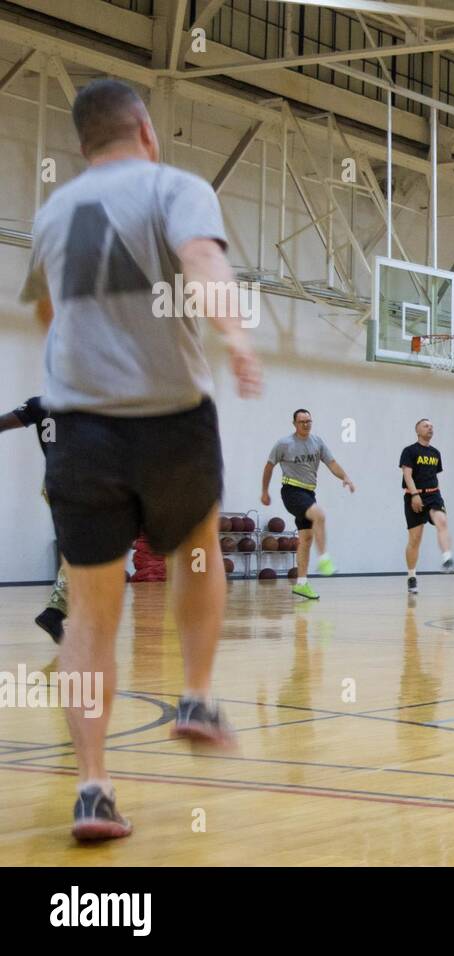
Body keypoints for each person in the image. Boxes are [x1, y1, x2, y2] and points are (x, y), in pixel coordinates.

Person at [20, 78, 262, 840]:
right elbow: (201, 262)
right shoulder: (176, 186)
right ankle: (195, 696)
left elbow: (49, 312)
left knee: (91, 612)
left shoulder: (52, 212)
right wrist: (238, 337)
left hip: (79, 431)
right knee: (197, 549)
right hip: (169, 422)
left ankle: (92, 787)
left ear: (84, 143)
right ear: (146, 130)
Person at [261, 408, 355, 599]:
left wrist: (345, 476)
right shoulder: (284, 444)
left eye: (309, 421)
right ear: (294, 424)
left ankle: (301, 584)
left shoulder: (317, 442)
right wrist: (264, 491)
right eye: (302, 421)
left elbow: (332, 463)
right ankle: (324, 558)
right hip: (291, 491)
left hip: (309, 493)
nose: (306, 424)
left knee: (306, 539)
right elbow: (269, 466)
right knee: (319, 514)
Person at [0, 395, 67, 640]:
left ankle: (59, 611)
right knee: (86, 549)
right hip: (79, 484)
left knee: (77, 548)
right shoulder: (88, 403)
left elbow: (4, 423)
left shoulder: (39, 404)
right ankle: (56, 611)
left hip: (52, 483)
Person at [400, 418, 454, 593]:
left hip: (434, 495)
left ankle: (447, 558)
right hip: (414, 496)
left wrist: (434, 494)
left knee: (442, 522)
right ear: (418, 430)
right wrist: (415, 495)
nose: (430, 428)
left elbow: (434, 475)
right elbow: (408, 476)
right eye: (426, 426)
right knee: (415, 540)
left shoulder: (435, 453)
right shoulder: (409, 451)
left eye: (432, 426)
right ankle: (411, 576)